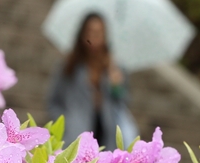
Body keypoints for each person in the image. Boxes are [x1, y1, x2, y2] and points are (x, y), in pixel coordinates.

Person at [47, 12, 138, 150]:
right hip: (76, 135)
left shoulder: (115, 67)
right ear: (82, 33)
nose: (94, 37)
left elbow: (123, 103)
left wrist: (116, 87)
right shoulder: (69, 66)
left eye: (99, 32)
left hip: (107, 134)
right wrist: (66, 121)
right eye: (90, 31)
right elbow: (53, 101)